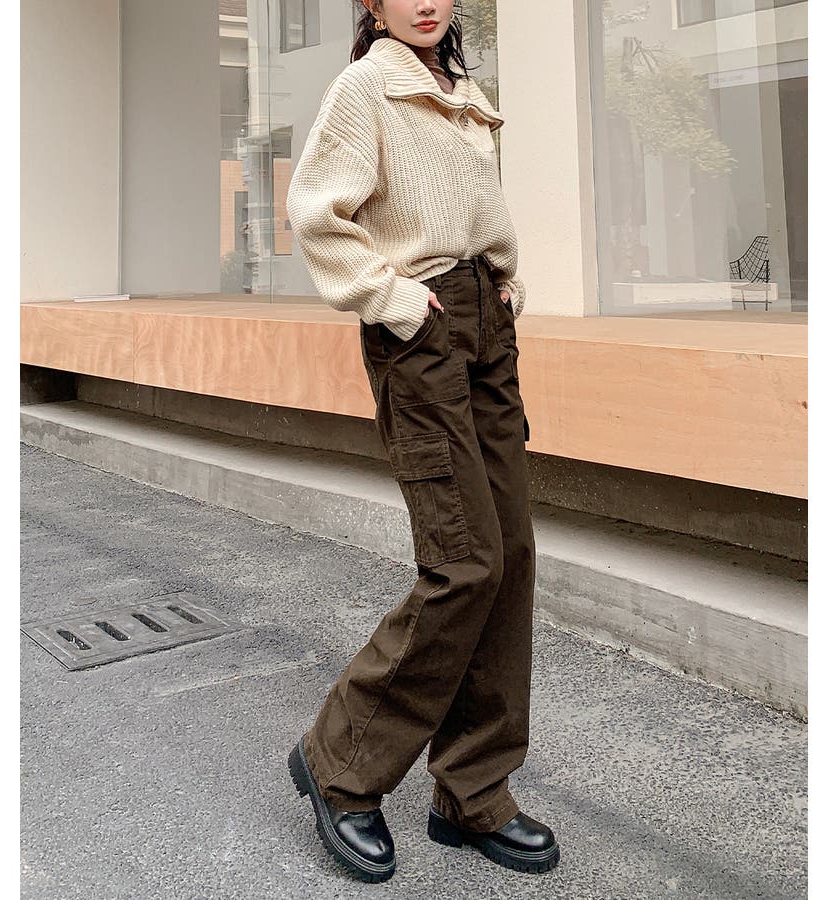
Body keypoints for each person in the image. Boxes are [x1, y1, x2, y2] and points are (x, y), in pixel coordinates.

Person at [285, 0, 559, 883]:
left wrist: (508, 281)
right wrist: (394, 299)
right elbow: (316, 212)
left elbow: (476, 209)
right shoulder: (367, 86)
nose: (427, 1)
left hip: (486, 327)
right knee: (464, 559)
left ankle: (472, 790)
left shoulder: (457, 87)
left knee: (510, 554)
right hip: (422, 333)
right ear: (372, 3)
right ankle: (340, 762)